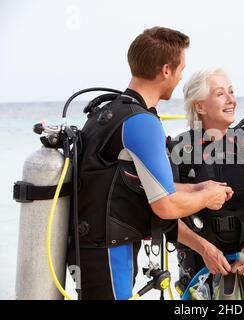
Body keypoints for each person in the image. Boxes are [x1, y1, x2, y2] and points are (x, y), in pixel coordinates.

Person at [67, 27, 233, 300]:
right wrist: (207, 197)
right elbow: (165, 205)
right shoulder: (141, 122)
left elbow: (136, 183)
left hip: (90, 248)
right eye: (181, 69)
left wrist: (196, 188)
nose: (181, 77)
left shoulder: (107, 112)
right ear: (166, 70)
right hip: (109, 251)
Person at [168, 68, 244, 300]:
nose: (231, 99)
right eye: (220, 93)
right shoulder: (178, 149)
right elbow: (166, 212)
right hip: (198, 258)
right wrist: (203, 248)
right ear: (199, 106)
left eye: (231, 92)